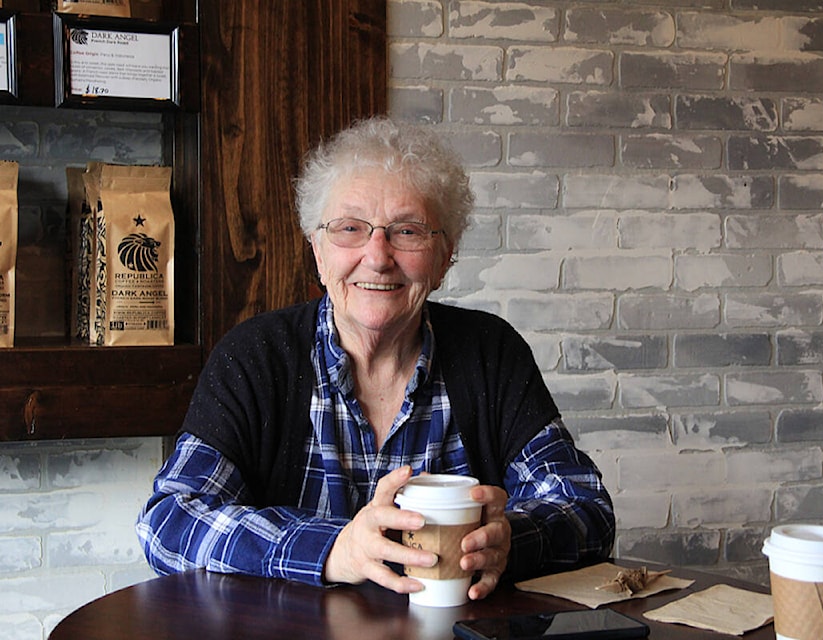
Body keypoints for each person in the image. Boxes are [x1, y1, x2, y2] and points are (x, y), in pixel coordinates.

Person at [136, 116, 615, 601]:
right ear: (318, 250)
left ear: (444, 255)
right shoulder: (255, 357)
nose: (378, 255)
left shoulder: (490, 354)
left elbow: (587, 509)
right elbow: (169, 521)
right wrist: (334, 548)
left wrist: (512, 539)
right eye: (350, 228)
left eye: (407, 231)